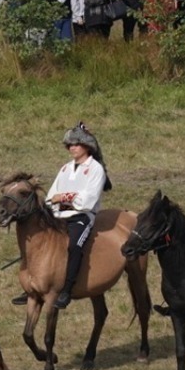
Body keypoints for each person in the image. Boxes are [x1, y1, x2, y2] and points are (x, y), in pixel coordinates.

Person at [45, 123, 110, 310]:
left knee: (74, 246)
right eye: (69, 145)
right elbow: (51, 198)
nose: (71, 148)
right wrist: (66, 199)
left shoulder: (96, 170)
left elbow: (87, 201)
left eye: (76, 144)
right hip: (59, 216)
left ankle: (67, 289)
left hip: (82, 217)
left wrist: (63, 198)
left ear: (86, 146)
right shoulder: (65, 169)